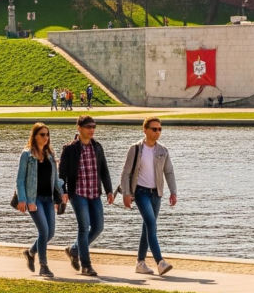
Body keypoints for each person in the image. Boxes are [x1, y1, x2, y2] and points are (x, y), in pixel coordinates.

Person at [120, 116, 177, 277]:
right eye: (154, 129)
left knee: (147, 227)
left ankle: (140, 263)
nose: (157, 132)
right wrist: (126, 193)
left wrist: (173, 192)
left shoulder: (163, 150)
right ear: (145, 130)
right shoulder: (136, 149)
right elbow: (126, 172)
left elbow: (169, 172)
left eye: (159, 129)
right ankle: (160, 262)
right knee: (151, 224)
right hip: (140, 192)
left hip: (156, 193)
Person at [59, 115, 114, 277]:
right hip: (78, 193)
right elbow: (62, 173)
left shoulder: (97, 147)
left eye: (94, 127)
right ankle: (86, 265)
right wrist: (63, 192)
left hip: (94, 193)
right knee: (84, 228)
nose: (92, 130)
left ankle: (74, 250)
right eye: (88, 127)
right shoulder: (69, 149)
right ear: (79, 128)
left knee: (98, 227)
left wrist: (109, 190)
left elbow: (104, 170)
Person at [15, 122, 66, 279]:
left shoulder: (50, 154)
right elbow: (20, 180)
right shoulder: (27, 155)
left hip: (48, 199)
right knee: (43, 231)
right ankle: (44, 266)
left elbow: (55, 179)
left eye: (47, 134)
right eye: (42, 134)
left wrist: (63, 193)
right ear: (35, 136)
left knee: (50, 233)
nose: (46, 137)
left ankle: (30, 252)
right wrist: (24, 200)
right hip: (34, 200)